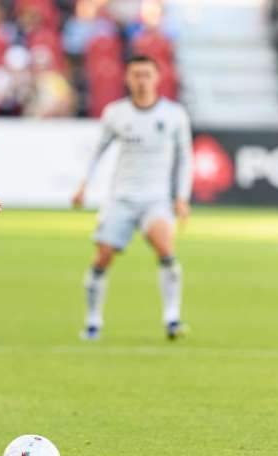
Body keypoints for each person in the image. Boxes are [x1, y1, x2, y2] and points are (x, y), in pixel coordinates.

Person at [72, 54, 193, 341]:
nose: (141, 80)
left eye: (147, 75)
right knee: (102, 257)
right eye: (136, 75)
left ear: (157, 78)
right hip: (121, 199)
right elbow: (98, 150)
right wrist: (83, 184)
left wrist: (182, 197)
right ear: (127, 78)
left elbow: (185, 158)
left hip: (156, 199)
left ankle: (172, 319)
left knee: (165, 248)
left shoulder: (174, 115)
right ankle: (92, 322)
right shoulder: (116, 113)